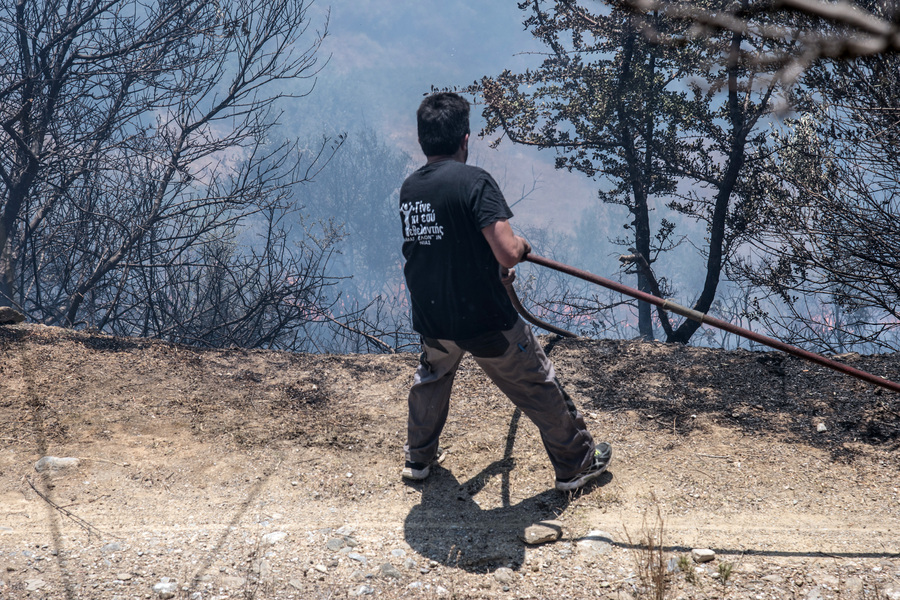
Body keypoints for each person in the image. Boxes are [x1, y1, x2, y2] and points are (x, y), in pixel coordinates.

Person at [398, 92, 612, 492]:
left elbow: (442, 244)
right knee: (537, 382)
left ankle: (418, 459)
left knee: (432, 376)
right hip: (484, 319)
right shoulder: (474, 181)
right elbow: (506, 252)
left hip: (432, 314)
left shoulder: (411, 188)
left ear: (423, 138)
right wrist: (521, 246)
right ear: (465, 139)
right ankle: (577, 463)